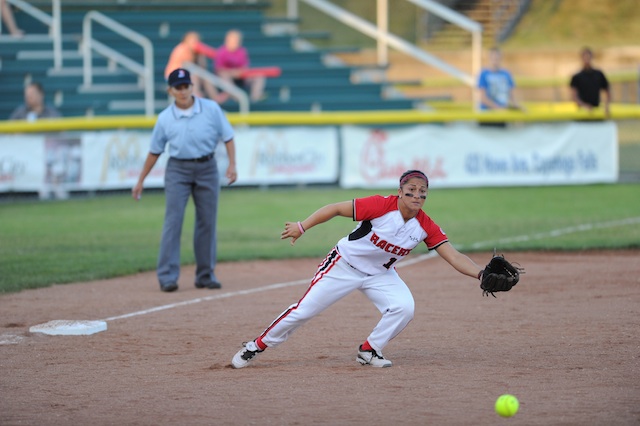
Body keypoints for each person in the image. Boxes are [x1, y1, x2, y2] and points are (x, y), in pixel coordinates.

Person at [231, 170, 485, 369]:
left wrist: (481, 274)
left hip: (380, 274)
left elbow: (453, 255)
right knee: (303, 311)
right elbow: (335, 208)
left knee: (404, 307)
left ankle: (369, 350)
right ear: (400, 191)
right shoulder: (381, 206)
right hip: (344, 265)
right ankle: (256, 345)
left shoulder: (425, 226)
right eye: (411, 190)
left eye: (422, 191)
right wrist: (302, 226)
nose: (417, 195)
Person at [132, 68, 237, 293]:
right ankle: (167, 276)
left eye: (185, 86)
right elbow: (155, 151)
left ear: (192, 87)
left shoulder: (211, 108)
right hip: (178, 170)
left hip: (207, 167)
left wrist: (232, 164)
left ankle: (205, 275)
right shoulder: (165, 118)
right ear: (170, 91)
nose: (182, 91)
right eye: (177, 87)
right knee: (173, 220)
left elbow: (228, 137)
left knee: (207, 221)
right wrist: (141, 180)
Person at [214, 29, 266, 103]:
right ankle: (236, 96)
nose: (234, 42)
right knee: (224, 75)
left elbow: (245, 67)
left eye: (236, 40)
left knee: (259, 76)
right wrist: (232, 72)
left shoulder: (242, 51)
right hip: (227, 76)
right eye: (232, 40)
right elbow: (219, 69)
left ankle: (255, 98)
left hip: (241, 76)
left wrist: (239, 72)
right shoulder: (221, 51)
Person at [165, 31, 218, 99]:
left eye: (196, 40)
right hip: (174, 75)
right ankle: (196, 94)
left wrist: (201, 55)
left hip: (187, 76)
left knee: (206, 78)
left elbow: (203, 67)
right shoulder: (182, 49)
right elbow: (187, 66)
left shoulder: (196, 53)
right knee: (194, 75)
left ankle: (216, 97)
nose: (195, 43)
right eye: (193, 40)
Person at [570, 47, 611, 118]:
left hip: (596, 110)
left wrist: (606, 106)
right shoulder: (577, 76)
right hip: (581, 113)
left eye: (588, 57)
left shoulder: (598, 74)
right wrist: (584, 105)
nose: (587, 60)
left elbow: (607, 91)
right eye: (585, 57)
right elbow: (574, 96)